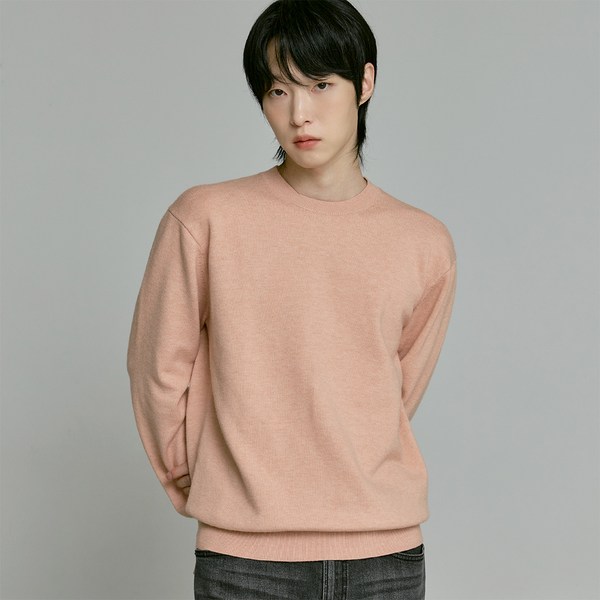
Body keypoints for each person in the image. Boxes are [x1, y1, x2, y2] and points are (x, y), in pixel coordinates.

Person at [126, 0, 457, 598]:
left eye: (320, 85)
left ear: (365, 83)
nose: (299, 113)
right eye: (278, 91)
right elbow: (156, 368)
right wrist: (198, 478)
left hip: (385, 556)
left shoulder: (423, 242)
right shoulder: (205, 218)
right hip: (243, 559)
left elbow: (394, 392)